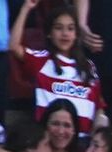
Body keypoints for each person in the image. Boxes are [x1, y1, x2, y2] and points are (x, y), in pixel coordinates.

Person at [9, 0, 102, 137]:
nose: (65, 34)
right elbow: (13, 46)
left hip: (82, 142)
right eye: (59, 28)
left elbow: (99, 106)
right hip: (48, 139)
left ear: (76, 34)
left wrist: (99, 128)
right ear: (49, 33)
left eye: (70, 29)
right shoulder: (40, 60)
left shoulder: (88, 67)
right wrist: (26, 8)